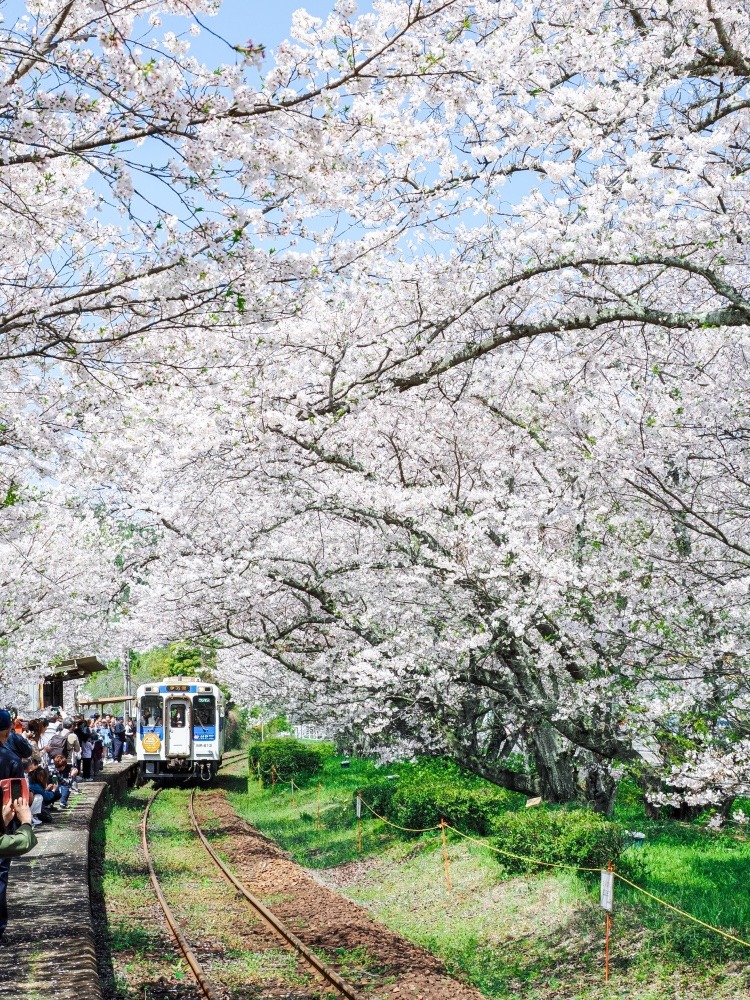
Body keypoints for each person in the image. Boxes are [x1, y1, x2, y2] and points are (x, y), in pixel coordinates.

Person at [0, 710, 27, 943]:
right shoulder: (11, 760)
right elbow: (19, 797)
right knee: (0, 874)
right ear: (8, 731)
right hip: (4, 822)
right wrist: (21, 824)